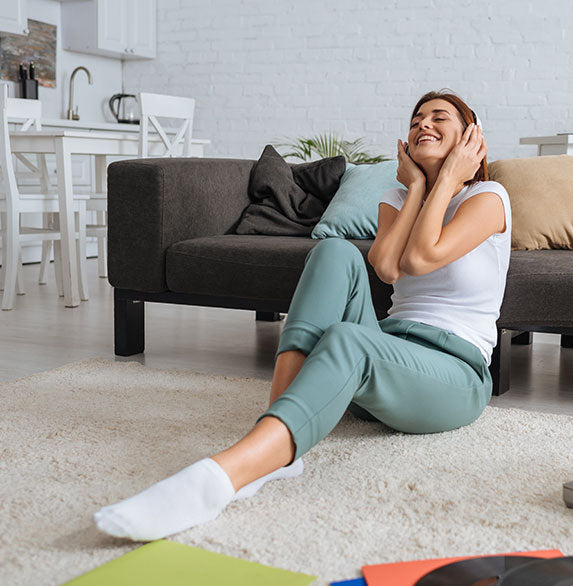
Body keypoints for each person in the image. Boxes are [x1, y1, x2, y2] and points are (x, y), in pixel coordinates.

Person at [93, 90, 511, 541]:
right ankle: (277, 432)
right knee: (334, 252)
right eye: (416, 120)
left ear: (471, 135)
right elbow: (387, 266)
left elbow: (423, 256)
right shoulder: (397, 195)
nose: (423, 125)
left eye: (439, 117)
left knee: (349, 341)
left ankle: (225, 476)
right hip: (389, 354)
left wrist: (448, 179)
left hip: (454, 375)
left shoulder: (488, 197)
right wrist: (416, 188)